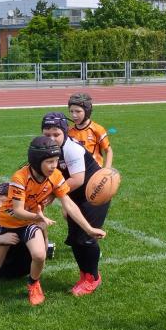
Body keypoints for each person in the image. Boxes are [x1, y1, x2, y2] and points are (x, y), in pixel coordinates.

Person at [0, 136, 105, 306]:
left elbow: (69, 204)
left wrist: (89, 229)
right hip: (9, 222)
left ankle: (33, 284)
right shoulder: (20, 177)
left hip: (29, 221)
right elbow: (18, 211)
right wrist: (38, 217)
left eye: (56, 160)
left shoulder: (56, 176)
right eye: (49, 161)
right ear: (36, 161)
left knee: (39, 254)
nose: (54, 165)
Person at [41, 111, 109, 296]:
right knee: (75, 238)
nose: (51, 138)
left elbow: (77, 180)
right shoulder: (44, 147)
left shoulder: (72, 149)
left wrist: (53, 193)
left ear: (65, 132)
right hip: (74, 195)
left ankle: (93, 278)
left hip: (95, 193)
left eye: (56, 134)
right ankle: (84, 275)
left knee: (85, 237)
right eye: (47, 134)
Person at [67, 92, 113, 168]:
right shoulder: (69, 131)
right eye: (71, 111)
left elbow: (108, 151)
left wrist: (107, 169)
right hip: (76, 171)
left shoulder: (97, 129)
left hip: (94, 171)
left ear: (87, 111)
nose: (74, 115)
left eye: (78, 111)